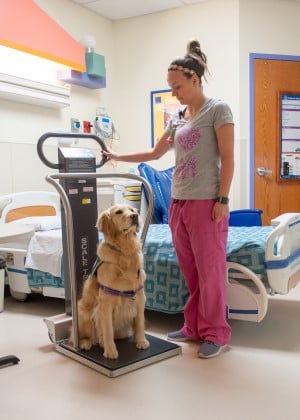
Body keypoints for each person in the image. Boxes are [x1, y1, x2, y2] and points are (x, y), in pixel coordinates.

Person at [102, 39, 234, 359]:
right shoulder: (177, 118)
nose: (173, 92)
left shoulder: (218, 109)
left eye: (176, 86)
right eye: (170, 87)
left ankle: (216, 332)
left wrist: (223, 199)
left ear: (194, 79)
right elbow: (154, 152)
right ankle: (193, 327)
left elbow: (228, 158)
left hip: (206, 202)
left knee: (210, 271)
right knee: (190, 270)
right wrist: (117, 153)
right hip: (178, 204)